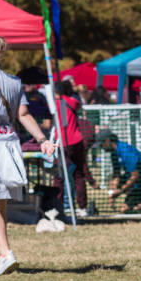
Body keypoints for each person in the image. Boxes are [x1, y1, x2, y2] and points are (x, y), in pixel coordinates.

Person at [0, 32, 55, 277]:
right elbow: (23, 114)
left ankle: (6, 255)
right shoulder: (13, 81)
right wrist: (42, 140)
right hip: (7, 141)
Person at [93, 129, 141, 213]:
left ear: (108, 141)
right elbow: (116, 174)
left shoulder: (126, 151)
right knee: (130, 205)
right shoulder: (114, 153)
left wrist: (121, 191)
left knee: (124, 211)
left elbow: (135, 175)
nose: (101, 148)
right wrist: (112, 193)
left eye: (101, 145)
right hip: (135, 181)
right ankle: (140, 201)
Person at [52, 80, 91, 217]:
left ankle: (59, 206)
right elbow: (79, 106)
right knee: (79, 175)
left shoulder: (57, 104)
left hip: (63, 142)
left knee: (59, 176)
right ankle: (82, 207)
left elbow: (63, 122)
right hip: (76, 141)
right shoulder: (72, 101)